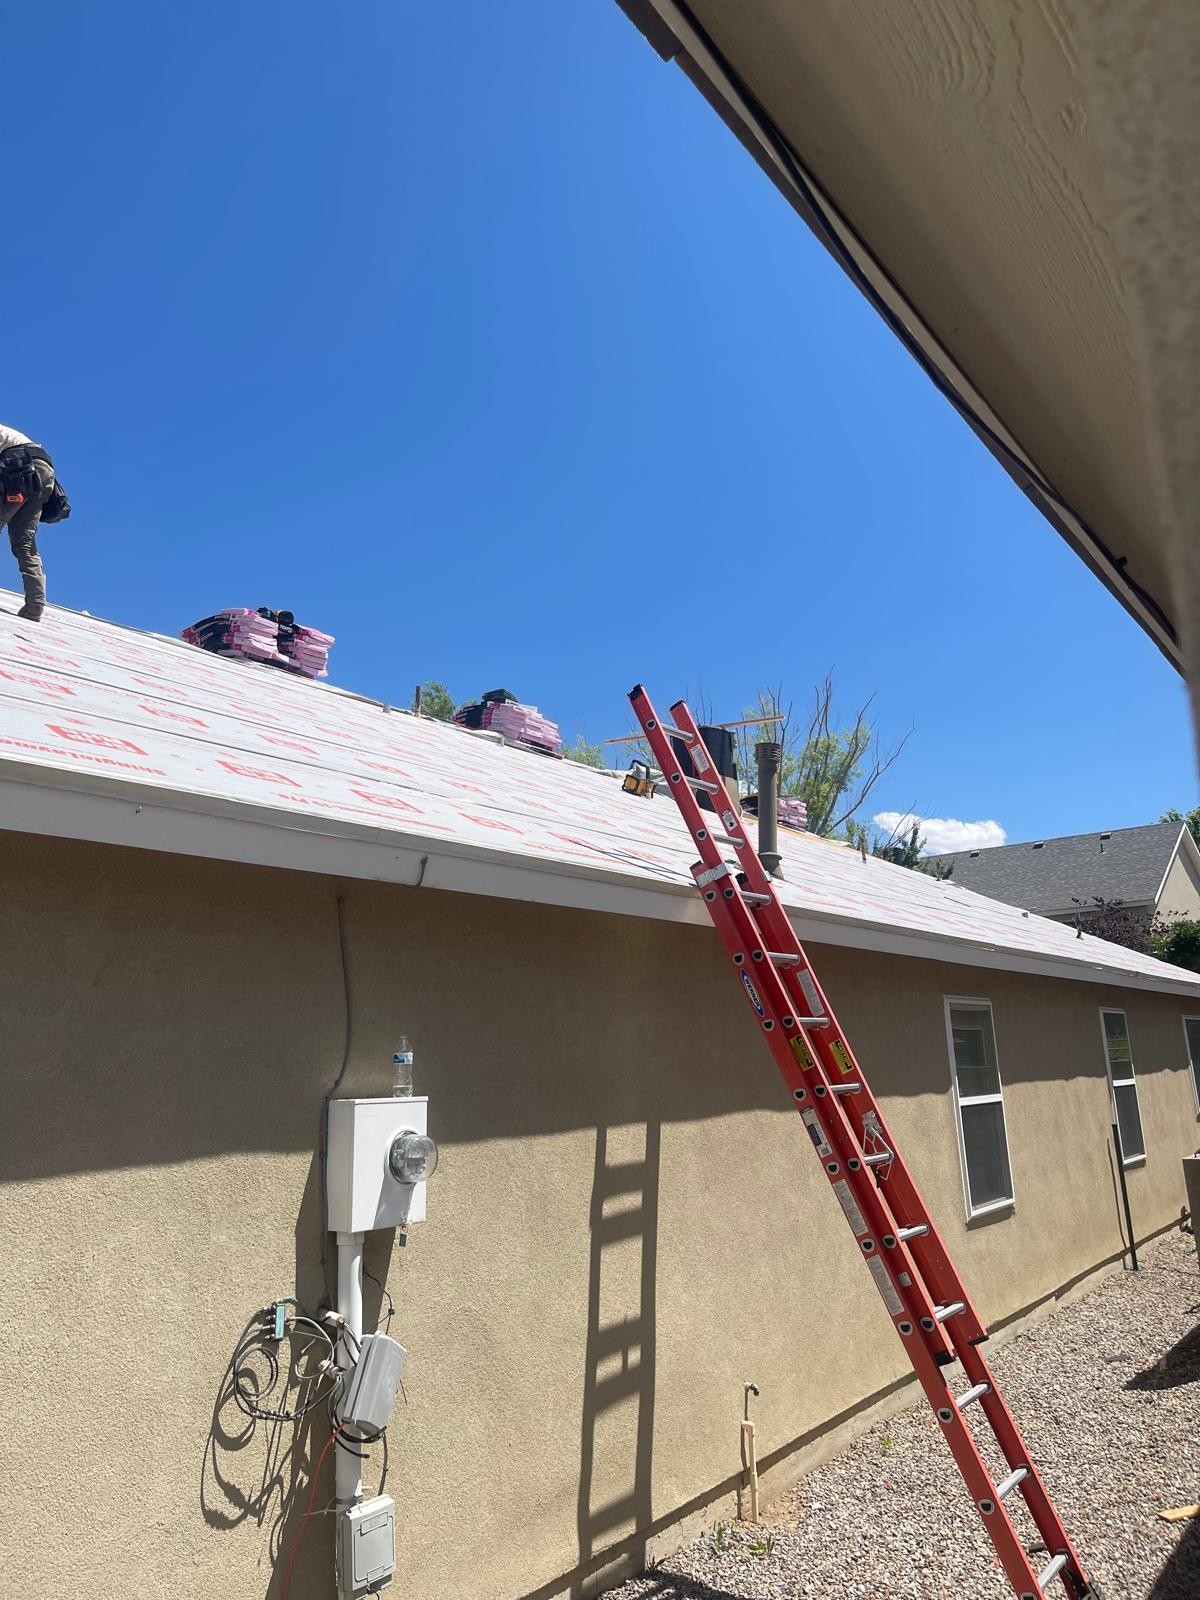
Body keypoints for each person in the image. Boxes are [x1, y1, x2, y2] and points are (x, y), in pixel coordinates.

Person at [0, 423, 61, 621]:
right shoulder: (11, 435)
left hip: (20, 468)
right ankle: (35, 604)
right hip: (44, 475)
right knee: (24, 544)